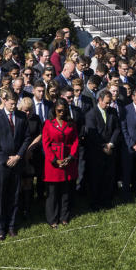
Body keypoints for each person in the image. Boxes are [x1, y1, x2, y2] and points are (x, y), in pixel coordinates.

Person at [0, 91, 29, 239]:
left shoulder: (22, 117)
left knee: (14, 195)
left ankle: (11, 225)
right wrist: (5, 159)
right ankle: (0, 227)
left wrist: (18, 156)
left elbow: (26, 138)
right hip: (1, 165)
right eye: (11, 103)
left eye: (15, 103)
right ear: (4, 101)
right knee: (1, 196)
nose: (13, 106)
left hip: (17, 162)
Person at [42, 99, 79, 228]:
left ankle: (64, 216)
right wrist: (54, 160)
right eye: (59, 110)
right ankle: (52, 219)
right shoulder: (48, 124)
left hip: (67, 161)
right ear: (54, 110)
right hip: (53, 163)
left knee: (66, 191)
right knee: (53, 193)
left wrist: (71, 157)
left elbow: (75, 141)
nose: (61, 113)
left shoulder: (71, 124)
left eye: (64, 110)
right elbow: (46, 144)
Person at [86, 89, 122, 211]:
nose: (108, 105)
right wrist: (103, 146)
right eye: (106, 103)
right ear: (99, 100)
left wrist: (111, 144)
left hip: (110, 150)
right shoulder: (91, 114)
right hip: (96, 152)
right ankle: (95, 202)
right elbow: (92, 133)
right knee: (96, 177)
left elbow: (117, 129)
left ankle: (107, 200)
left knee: (109, 176)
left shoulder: (112, 112)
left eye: (109, 103)